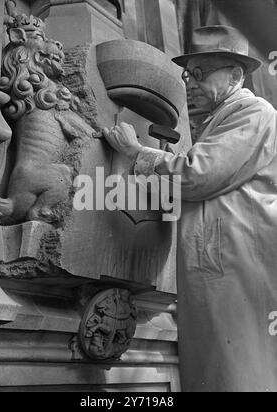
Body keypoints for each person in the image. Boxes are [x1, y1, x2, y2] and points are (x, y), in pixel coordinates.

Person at [102, 25, 277, 392]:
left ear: (235, 74)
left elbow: (199, 174)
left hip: (237, 267)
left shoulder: (252, 111)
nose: (191, 84)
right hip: (221, 267)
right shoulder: (220, 118)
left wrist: (138, 153)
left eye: (201, 73)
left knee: (238, 375)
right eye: (187, 74)